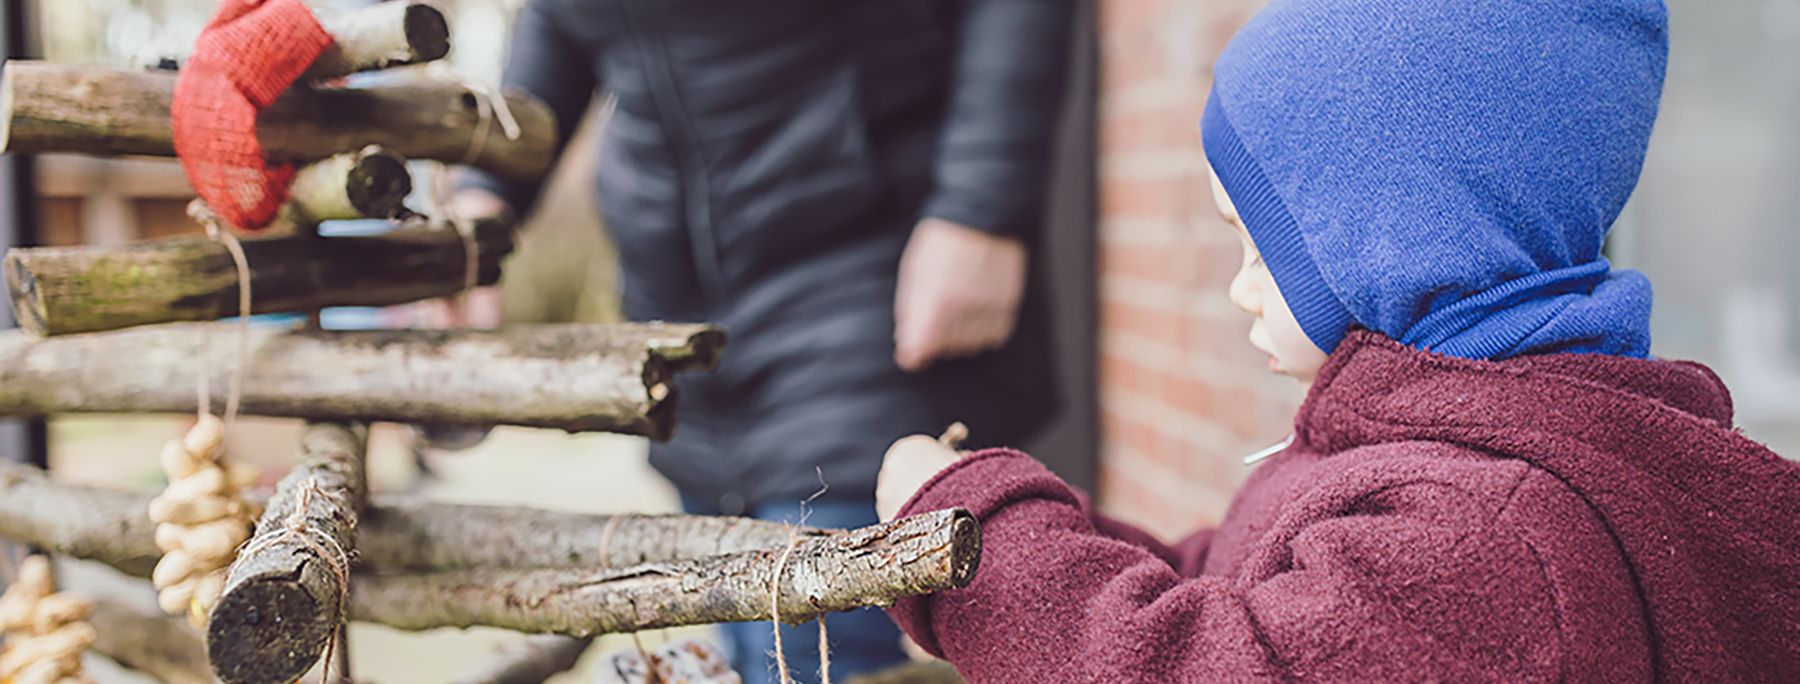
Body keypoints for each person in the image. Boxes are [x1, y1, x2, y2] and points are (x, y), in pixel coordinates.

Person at [875, 0, 1800, 680]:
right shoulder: (1439, 446)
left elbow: (1210, 665)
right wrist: (993, 522)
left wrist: (985, 550)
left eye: (1259, 242)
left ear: (1395, 232)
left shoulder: (1486, 537)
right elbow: (1231, 586)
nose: (1238, 286)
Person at [453, 2, 1074, 682]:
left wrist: (981, 208)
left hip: (862, 274)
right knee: (739, 637)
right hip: (680, 321)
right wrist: (486, 190)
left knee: (815, 651)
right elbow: (561, 20)